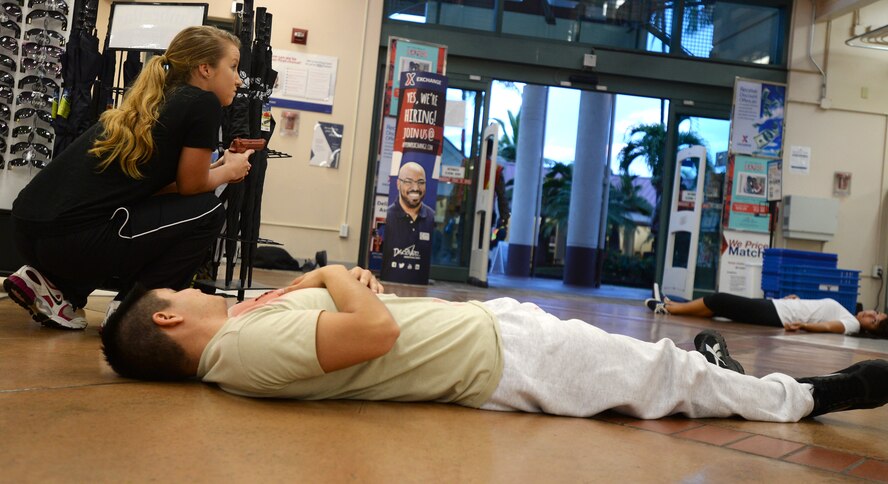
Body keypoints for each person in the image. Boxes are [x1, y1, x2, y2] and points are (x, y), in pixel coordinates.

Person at [101, 265, 888, 422]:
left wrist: (333, 286)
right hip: (503, 362)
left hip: (492, 334)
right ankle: (810, 398)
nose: (198, 289)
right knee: (659, 379)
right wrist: (331, 274)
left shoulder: (238, 337)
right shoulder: (238, 358)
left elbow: (360, 318)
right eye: (183, 292)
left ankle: (721, 371)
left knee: (669, 371)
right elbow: (371, 330)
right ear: (170, 320)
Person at [3, 26, 254, 330]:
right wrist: (231, 170)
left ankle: (54, 288)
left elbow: (165, 188)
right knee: (208, 211)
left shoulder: (159, 99)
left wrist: (219, 167)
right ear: (205, 69)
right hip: (71, 241)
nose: (239, 79)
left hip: (27, 230)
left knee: (140, 212)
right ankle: (132, 311)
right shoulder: (203, 103)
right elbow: (192, 187)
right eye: (233, 67)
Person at [644, 286, 888, 338]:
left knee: (720, 299)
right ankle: (672, 306)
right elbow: (821, 313)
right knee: (721, 309)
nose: (871, 315)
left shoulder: (852, 324)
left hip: (778, 314)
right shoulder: (848, 312)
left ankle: (670, 308)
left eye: (875, 322)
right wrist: (797, 301)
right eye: (877, 314)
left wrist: (803, 325)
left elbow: (828, 326)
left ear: (870, 329)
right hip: (780, 307)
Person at [382, 162, 435, 279]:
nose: (415, 188)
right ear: (398, 184)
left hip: (423, 291)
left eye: (420, 182)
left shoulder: (432, 218)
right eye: (408, 181)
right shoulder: (386, 217)